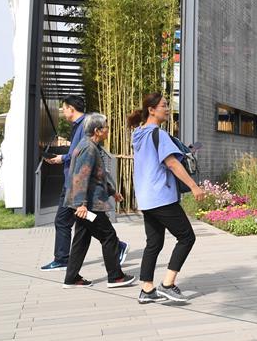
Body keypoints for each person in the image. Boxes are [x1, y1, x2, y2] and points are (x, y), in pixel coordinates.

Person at [128, 93, 206, 304]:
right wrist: (193, 185)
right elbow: (172, 163)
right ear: (151, 110)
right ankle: (168, 285)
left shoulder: (138, 134)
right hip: (161, 196)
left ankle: (146, 289)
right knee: (187, 237)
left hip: (145, 198)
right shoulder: (158, 134)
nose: (167, 109)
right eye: (164, 105)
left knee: (153, 243)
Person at [41, 95, 128, 271]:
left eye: (64, 108)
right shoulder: (80, 127)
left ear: (71, 108)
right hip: (75, 187)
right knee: (84, 226)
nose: (63, 111)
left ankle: (68, 260)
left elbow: (82, 161)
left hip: (76, 188)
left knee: (75, 223)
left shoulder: (85, 127)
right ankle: (72, 268)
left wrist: (61, 159)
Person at [62, 113, 136, 289]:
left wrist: (112, 192)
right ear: (97, 130)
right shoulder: (89, 148)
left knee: (81, 239)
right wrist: (81, 204)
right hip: (89, 206)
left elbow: (97, 176)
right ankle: (116, 277)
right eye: (106, 127)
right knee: (109, 236)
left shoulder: (89, 146)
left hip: (86, 204)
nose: (108, 131)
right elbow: (81, 177)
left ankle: (71, 278)